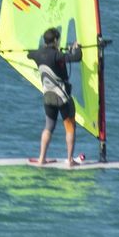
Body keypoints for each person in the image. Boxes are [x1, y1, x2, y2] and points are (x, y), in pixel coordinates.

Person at [27, 27, 83, 167]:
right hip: (62, 97)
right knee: (70, 126)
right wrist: (76, 48)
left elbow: (29, 54)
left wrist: (48, 50)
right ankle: (70, 160)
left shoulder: (37, 54)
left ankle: (41, 159)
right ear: (56, 40)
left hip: (48, 97)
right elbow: (76, 57)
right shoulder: (56, 55)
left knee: (48, 127)